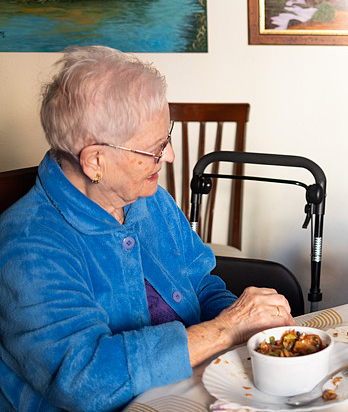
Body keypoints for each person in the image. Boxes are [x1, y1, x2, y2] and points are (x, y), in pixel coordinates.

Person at [0, 46, 295, 411]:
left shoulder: (149, 200)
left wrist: (251, 332)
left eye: (166, 138)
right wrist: (227, 328)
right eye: (155, 149)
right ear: (96, 161)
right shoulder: (29, 246)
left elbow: (201, 285)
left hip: (193, 390)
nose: (169, 156)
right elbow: (85, 379)